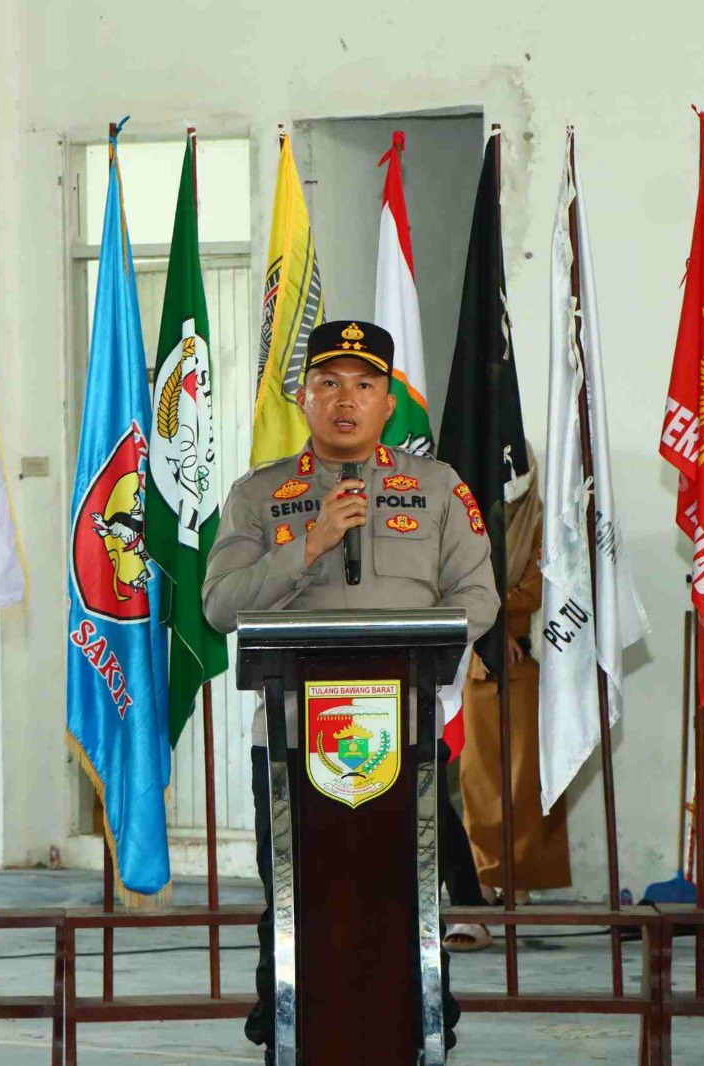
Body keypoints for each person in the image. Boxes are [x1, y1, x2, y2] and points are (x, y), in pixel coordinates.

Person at [203, 320, 500, 1063]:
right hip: (291, 738)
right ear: (304, 397)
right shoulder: (259, 494)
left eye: (365, 385)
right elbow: (219, 606)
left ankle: (423, 1022)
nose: (346, 399)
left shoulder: (437, 488)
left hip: (404, 734)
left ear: (388, 401)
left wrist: (421, 640)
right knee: (294, 893)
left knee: (409, 890)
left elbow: (479, 597)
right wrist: (309, 545)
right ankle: (287, 1025)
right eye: (329, 383)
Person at [458, 447, 572, 900]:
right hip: (476, 661)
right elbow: (453, 584)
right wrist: (490, 627)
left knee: (526, 777)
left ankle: (519, 877)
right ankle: (486, 874)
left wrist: (492, 614)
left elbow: (539, 587)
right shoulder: (466, 520)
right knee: (479, 777)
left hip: (527, 661)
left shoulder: (541, 522)